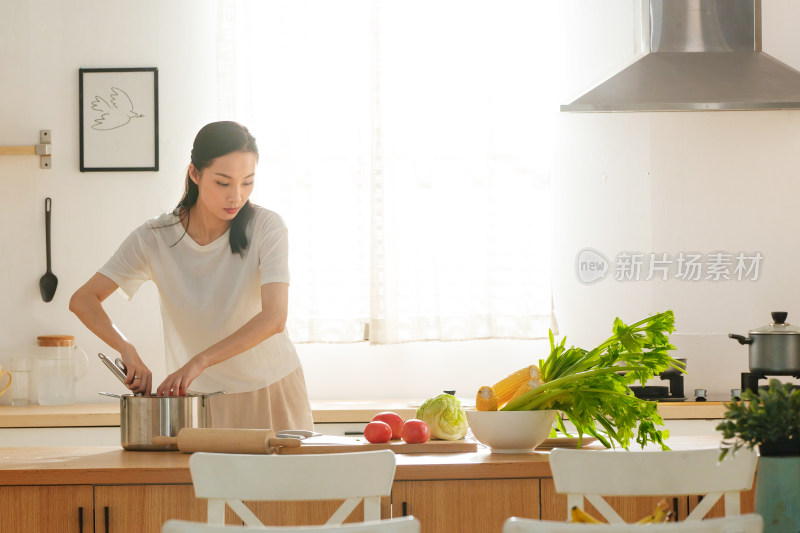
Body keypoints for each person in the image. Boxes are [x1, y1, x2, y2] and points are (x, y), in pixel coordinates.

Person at [69, 121, 313, 430]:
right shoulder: (156, 237)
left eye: (247, 182)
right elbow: (83, 300)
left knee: (286, 480)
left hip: (272, 390)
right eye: (223, 183)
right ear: (195, 173)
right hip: (202, 400)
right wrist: (126, 348)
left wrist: (199, 361)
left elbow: (274, 318)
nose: (236, 196)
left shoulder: (267, 227)